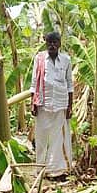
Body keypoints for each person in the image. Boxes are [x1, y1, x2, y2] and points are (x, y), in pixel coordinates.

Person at [30, 31, 73, 180]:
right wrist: (32, 103)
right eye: (49, 42)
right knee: (41, 137)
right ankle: (41, 169)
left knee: (58, 139)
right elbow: (34, 82)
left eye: (55, 42)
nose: (52, 45)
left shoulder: (66, 60)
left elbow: (69, 84)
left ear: (59, 44)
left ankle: (57, 171)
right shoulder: (39, 59)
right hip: (42, 104)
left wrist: (70, 106)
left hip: (61, 104)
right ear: (46, 43)